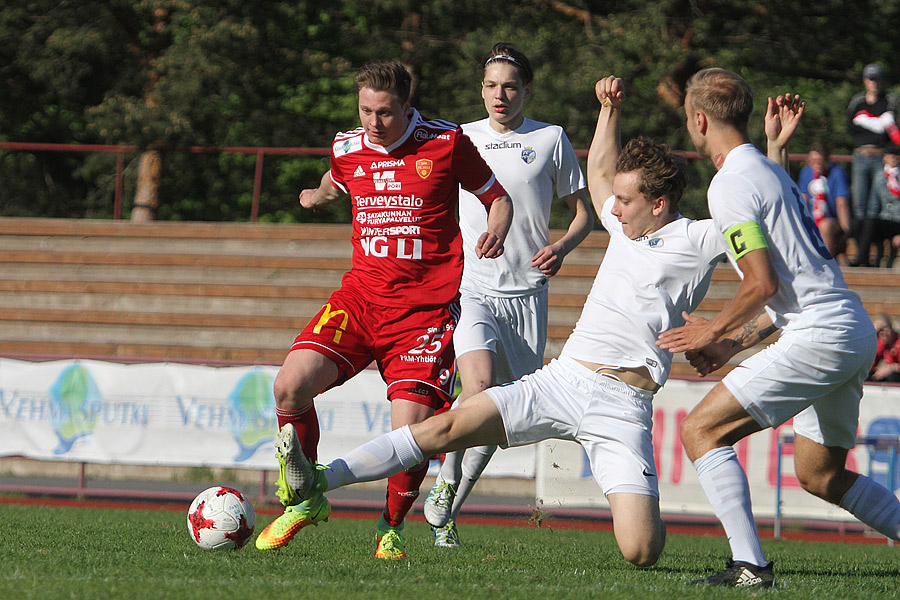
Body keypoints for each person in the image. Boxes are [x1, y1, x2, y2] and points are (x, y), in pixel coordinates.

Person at [267, 75, 727, 568]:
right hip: (556, 369)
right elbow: (598, 171)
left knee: (641, 552)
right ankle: (320, 482)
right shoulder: (622, 222)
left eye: (624, 201)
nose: (611, 209)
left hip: (616, 394)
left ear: (658, 204)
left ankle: (405, 516)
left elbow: (776, 252)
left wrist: (728, 334)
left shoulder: (700, 238)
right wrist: (608, 109)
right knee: (455, 417)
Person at [253, 60, 513, 559]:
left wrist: (496, 228)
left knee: (412, 433)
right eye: (366, 111)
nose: (374, 123)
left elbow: (496, 197)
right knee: (288, 385)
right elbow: (337, 179)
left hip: (425, 311)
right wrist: (315, 195)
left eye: (386, 113)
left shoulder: (445, 142)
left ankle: (389, 526)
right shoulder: (348, 147)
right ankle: (305, 500)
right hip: (361, 299)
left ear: (407, 108)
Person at [659, 67, 900, 589]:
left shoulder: (730, 185)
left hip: (820, 335)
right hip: (850, 331)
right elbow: (790, 288)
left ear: (699, 120)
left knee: (700, 430)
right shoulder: (773, 174)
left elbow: (761, 285)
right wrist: (730, 342)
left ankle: (750, 567)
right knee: (820, 474)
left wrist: (710, 332)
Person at [422, 43, 594, 548]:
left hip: (528, 294)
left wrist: (561, 247)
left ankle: (448, 508)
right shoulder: (460, 138)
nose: (501, 94)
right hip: (472, 286)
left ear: (526, 91)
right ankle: (444, 484)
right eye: (492, 85)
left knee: (499, 415)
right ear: (482, 90)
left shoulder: (550, 139)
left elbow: (583, 212)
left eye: (511, 86)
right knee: (476, 389)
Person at [847, 63, 900, 266]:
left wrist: (867, 123)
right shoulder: (858, 101)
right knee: (859, 205)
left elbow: (889, 129)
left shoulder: (889, 101)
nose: (874, 83)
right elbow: (850, 125)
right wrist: (876, 124)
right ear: (865, 81)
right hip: (861, 155)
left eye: (877, 79)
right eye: (870, 79)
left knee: (875, 206)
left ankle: (874, 254)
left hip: (880, 157)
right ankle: (862, 254)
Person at [796, 140, 851, 263]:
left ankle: (826, 263)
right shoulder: (806, 172)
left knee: (825, 226)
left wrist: (845, 231)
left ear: (827, 160)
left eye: (820, 161)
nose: (817, 165)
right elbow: (803, 199)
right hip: (811, 218)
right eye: (813, 161)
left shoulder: (837, 173)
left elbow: (842, 203)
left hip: (831, 221)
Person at [864, 144, 900, 267]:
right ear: (885, 158)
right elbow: (874, 202)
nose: (894, 158)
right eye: (891, 155)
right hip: (885, 218)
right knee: (871, 224)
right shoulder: (880, 176)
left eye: (896, 155)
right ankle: (864, 259)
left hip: (898, 220)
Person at [870, 314, 900, 383]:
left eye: (884, 329)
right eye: (878, 332)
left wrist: (892, 367)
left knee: (893, 374)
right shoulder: (882, 345)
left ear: (891, 328)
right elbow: (870, 367)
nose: (882, 334)